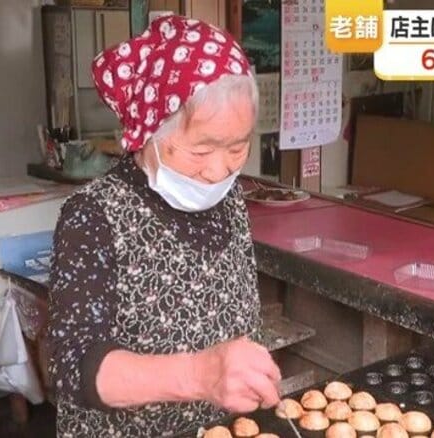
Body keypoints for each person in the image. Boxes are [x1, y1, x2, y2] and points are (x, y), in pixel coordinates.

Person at [47, 15, 281, 438]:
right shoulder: (95, 215)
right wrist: (200, 374)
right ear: (148, 132)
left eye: (237, 147)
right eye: (200, 151)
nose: (218, 170)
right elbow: (73, 367)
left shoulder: (229, 198)